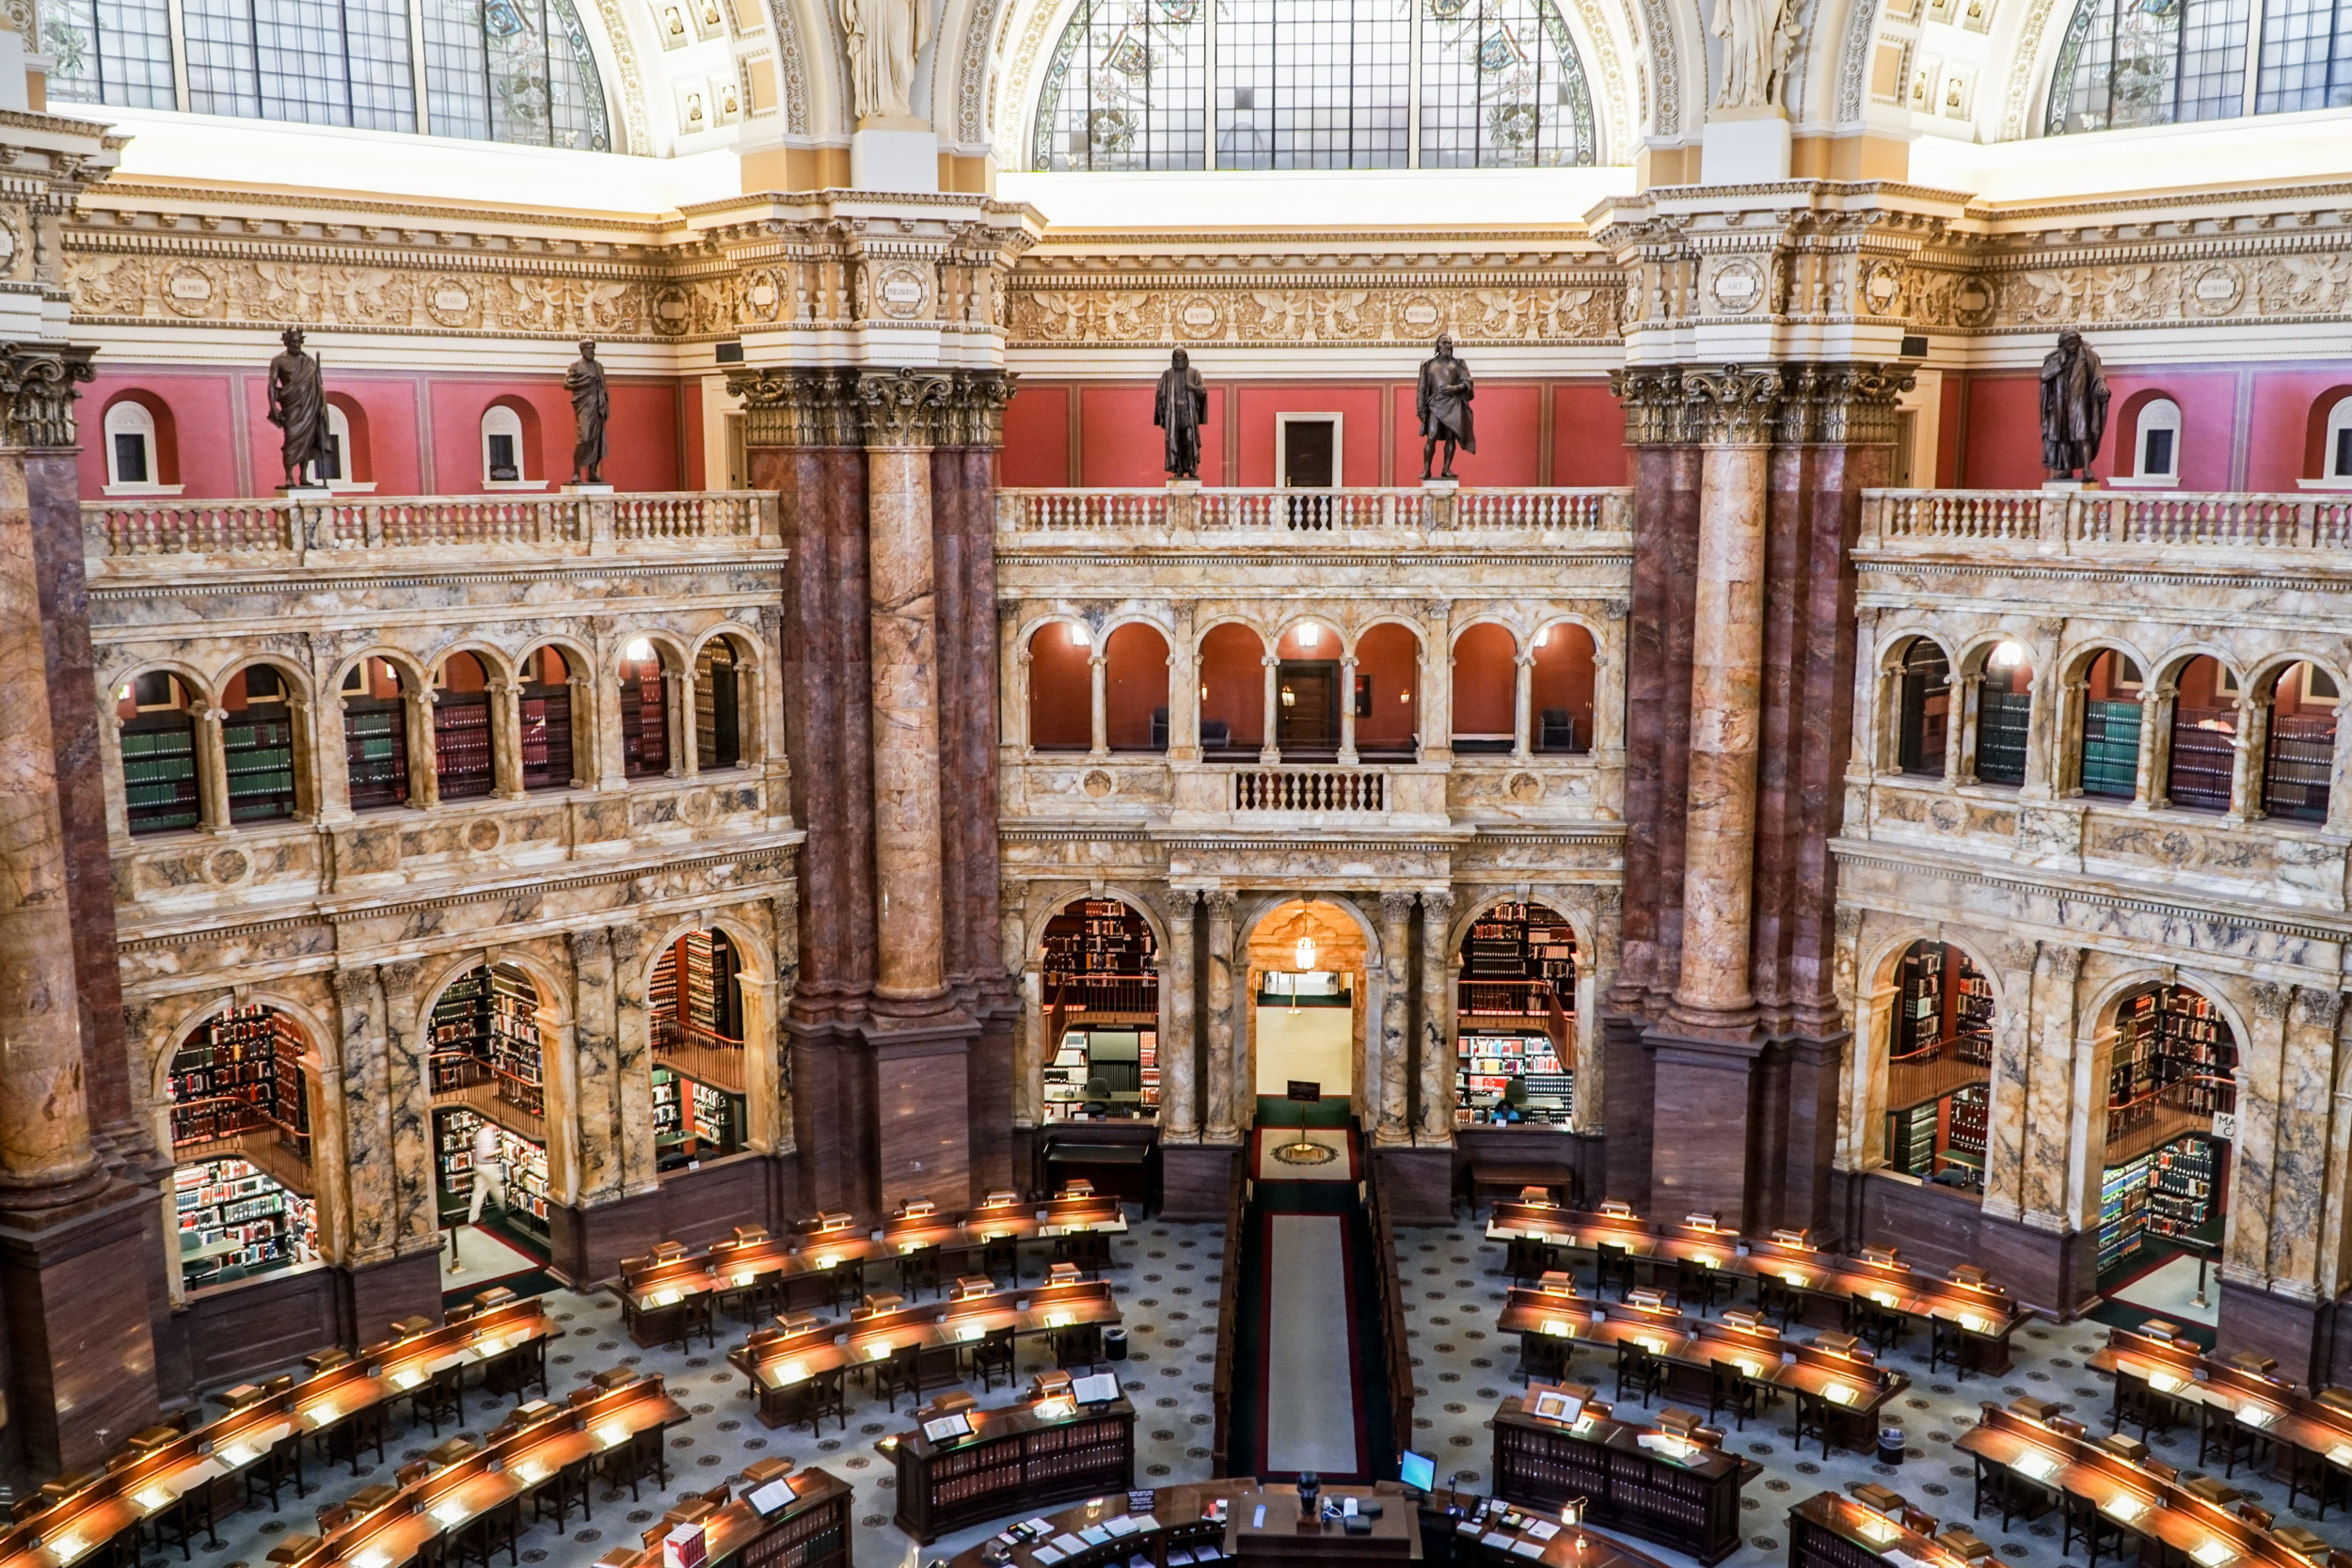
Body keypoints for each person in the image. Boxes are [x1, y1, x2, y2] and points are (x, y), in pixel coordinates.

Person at [2039, 328, 2111, 482]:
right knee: (2062, 437)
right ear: (2063, 344)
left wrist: (2102, 388)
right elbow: (2044, 376)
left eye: (2074, 341)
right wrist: (2061, 363)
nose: (2072, 345)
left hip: (2080, 402)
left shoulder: (2089, 356)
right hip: (2059, 403)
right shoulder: (2055, 359)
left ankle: (2086, 469)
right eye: (2068, 343)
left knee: (2083, 436)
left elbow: (2098, 376)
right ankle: (2067, 468)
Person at [266, 326, 332, 489]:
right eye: (293, 342)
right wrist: (273, 407)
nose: (296, 345)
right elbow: (272, 385)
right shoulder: (279, 361)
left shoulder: (308, 360)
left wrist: (320, 404)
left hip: (309, 406)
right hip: (292, 407)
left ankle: (303, 476)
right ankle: (289, 476)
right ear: (287, 342)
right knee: (292, 440)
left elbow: (318, 384)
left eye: (298, 341)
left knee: (307, 441)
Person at [1417, 335, 1476, 481]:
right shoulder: (1428, 365)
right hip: (1435, 404)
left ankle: (1446, 468)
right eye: (1444, 343)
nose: (1447, 346)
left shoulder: (1458, 364)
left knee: (1451, 437)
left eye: (1449, 343)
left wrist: (1454, 388)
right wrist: (1421, 410)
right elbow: (1422, 389)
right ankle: (1427, 469)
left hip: (1453, 403)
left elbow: (1468, 383)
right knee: (1431, 436)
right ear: (1437, 345)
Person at [1153, 348, 1207, 479]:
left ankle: (1191, 468)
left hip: (1188, 412)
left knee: (1189, 440)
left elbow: (1203, 391)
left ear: (1185, 357)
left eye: (1181, 356)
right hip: (1173, 413)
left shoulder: (1194, 373)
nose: (1179, 359)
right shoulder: (1167, 374)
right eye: (1176, 356)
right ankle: (1178, 469)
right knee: (1175, 440)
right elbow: (1160, 394)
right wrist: (1162, 412)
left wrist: (1194, 389)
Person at [566, 340, 610, 484]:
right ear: (582, 350)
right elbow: (566, 384)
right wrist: (584, 383)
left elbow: (603, 386)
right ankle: (576, 471)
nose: (591, 351)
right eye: (588, 349)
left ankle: (592, 472)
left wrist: (604, 403)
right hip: (584, 404)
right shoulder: (576, 366)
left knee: (597, 440)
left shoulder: (599, 367)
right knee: (584, 438)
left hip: (598, 404)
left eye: (592, 349)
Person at [468, 1120, 506, 1224]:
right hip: (488, 1166)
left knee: (478, 1193)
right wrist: (502, 1150)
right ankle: (507, 1209)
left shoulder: (480, 1132)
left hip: (479, 1166)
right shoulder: (488, 1133)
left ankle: (472, 1218)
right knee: (498, 1190)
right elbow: (486, 1154)